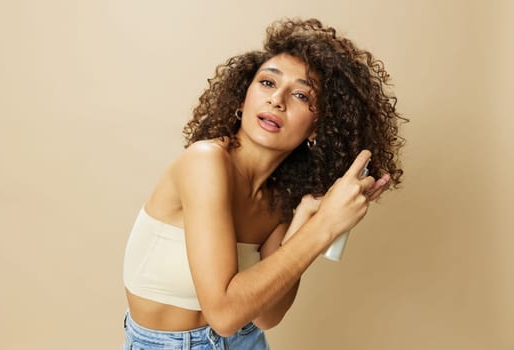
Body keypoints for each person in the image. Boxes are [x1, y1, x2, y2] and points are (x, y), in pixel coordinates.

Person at [122, 17, 406, 350]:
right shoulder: (205, 162)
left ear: (318, 127)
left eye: (301, 95)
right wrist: (325, 226)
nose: (277, 100)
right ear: (242, 100)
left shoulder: (280, 196)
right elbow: (224, 315)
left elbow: (266, 315)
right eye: (268, 83)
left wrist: (306, 222)